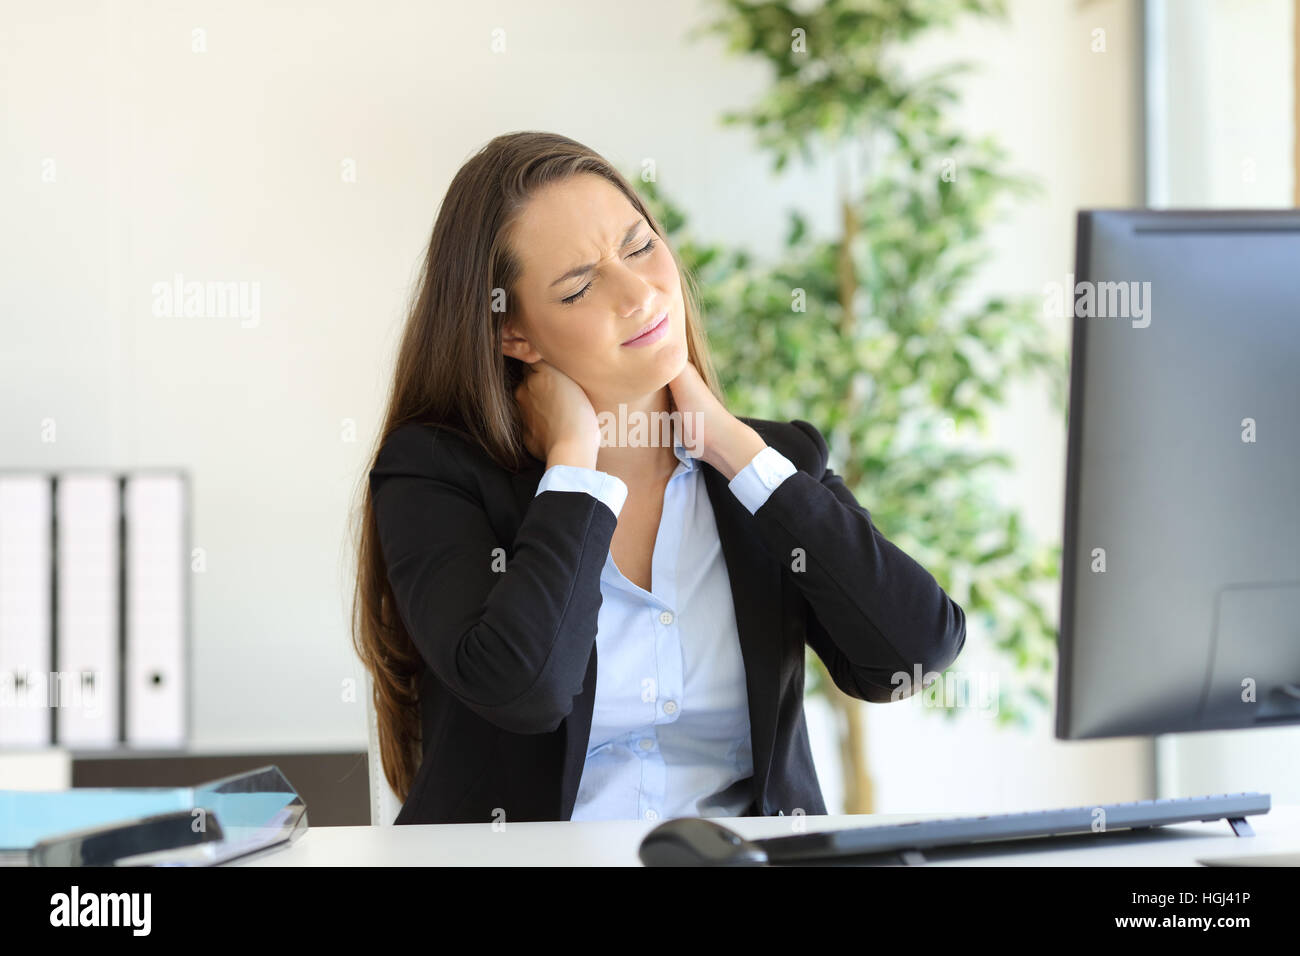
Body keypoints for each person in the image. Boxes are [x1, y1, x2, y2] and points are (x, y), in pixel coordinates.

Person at [351, 130, 966, 824]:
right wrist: (575, 463)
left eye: (640, 247)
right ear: (512, 334)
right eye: (580, 285)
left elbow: (911, 653)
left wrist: (735, 450)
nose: (639, 293)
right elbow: (524, 690)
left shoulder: (767, 466)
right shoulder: (434, 475)